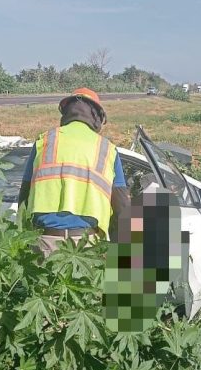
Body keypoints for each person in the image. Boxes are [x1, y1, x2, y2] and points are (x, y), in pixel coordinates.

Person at [18, 88, 130, 256]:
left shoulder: (45, 140)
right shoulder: (107, 149)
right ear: (97, 116)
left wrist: (21, 238)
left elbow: (24, 195)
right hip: (86, 246)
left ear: (66, 112)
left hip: (44, 242)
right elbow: (121, 205)